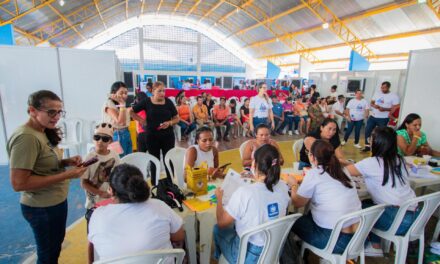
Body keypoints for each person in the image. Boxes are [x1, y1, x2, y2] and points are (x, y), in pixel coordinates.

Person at [7, 90, 87, 263]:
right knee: (48, 255)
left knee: (53, 248)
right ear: (32, 110)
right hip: (42, 208)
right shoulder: (26, 138)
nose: (57, 116)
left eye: (60, 111)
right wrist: (66, 175)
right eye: (51, 111)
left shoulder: (42, 131)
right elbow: (19, 183)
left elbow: (43, 165)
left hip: (54, 202)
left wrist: (66, 162)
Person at [88, 164, 185, 263]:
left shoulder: (97, 216)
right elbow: (179, 236)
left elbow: (94, 248)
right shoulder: (159, 206)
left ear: (111, 191)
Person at [346, 127, 419, 255]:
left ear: (376, 142)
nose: (369, 141)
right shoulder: (400, 160)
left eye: (370, 139)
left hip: (396, 220)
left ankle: (371, 246)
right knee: (369, 204)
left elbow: (345, 171)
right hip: (417, 218)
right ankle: (376, 243)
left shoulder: (371, 163)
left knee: (355, 207)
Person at [213, 144, 290, 263]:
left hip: (248, 254)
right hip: (275, 250)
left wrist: (219, 199)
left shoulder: (245, 192)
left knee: (218, 229)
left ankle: (222, 258)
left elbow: (222, 223)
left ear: (254, 165)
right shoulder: (284, 187)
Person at [287, 140, 361, 255]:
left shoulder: (314, 174)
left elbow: (297, 203)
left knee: (290, 219)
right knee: (310, 214)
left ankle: (295, 254)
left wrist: (293, 185)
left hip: (333, 241)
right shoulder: (343, 170)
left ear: (312, 156)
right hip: (358, 238)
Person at [132, 81, 179, 184]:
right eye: (159, 91)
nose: (162, 93)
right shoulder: (146, 102)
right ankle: (154, 183)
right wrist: (141, 120)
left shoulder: (168, 102)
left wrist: (170, 123)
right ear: (153, 91)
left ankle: (170, 182)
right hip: (152, 136)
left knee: (168, 158)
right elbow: (131, 111)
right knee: (154, 160)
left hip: (167, 136)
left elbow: (176, 118)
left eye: (164, 91)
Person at [81, 123, 120, 228]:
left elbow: (117, 176)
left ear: (110, 141)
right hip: (93, 204)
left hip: (110, 201)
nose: (100, 141)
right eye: (97, 137)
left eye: (105, 139)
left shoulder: (114, 156)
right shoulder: (89, 158)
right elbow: (83, 183)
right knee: (93, 230)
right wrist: (100, 193)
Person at [363, 81, 400, 152]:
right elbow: (372, 102)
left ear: (388, 87)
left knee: (381, 133)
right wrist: (375, 106)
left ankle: (379, 147)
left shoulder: (394, 96)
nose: (382, 89)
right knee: (368, 130)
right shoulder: (377, 93)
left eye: (384, 88)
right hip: (373, 116)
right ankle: (367, 146)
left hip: (384, 118)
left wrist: (385, 109)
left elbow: (396, 107)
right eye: (381, 87)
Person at [102, 81, 133, 157]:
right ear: (113, 93)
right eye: (121, 93)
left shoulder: (120, 104)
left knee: (128, 159)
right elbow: (120, 122)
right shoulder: (109, 103)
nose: (124, 95)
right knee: (120, 161)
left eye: (126, 93)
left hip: (126, 132)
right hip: (117, 134)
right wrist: (122, 104)